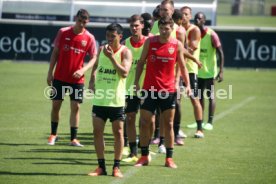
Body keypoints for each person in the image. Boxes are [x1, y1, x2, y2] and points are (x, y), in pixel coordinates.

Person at [134, 16, 191, 169]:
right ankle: (144, 156)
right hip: (149, 89)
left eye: (167, 29)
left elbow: (183, 67)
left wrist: (188, 85)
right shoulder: (150, 42)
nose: (164, 31)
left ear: (172, 29)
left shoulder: (177, 44)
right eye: (162, 28)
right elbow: (140, 63)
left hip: (168, 90)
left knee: (169, 124)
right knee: (145, 122)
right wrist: (136, 82)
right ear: (158, 28)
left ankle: (169, 159)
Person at [47, 9, 97, 147]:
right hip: (60, 77)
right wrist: (50, 72)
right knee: (56, 105)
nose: (81, 24)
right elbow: (55, 53)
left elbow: (94, 58)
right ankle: (53, 135)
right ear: (75, 18)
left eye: (84, 22)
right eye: (79, 21)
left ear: (88, 22)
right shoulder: (63, 32)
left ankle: (73, 138)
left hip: (77, 80)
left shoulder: (89, 38)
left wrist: (83, 70)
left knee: (76, 107)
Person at [87, 23, 132, 177]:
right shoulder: (101, 50)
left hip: (116, 101)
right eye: (107, 36)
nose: (109, 39)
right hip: (100, 100)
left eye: (113, 36)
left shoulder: (126, 52)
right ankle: (101, 167)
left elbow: (124, 73)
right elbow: (96, 66)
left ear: (120, 36)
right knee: (97, 132)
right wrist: (92, 80)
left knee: (118, 133)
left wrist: (112, 57)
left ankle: (116, 167)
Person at [122, 14, 147, 163]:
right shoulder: (125, 43)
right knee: (130, 118)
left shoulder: (149, 42)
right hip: (130, 88)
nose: (134, 28)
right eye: (132, 26)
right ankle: (133, 153)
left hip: (147, 88)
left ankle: (146, 149)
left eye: (137, 25)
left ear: (142, 26)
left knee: (147, 121)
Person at [194, 12, 224, 130]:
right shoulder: (194, 33)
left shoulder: (211, 34)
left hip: (209, 72)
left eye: (199, 18)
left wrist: (221, 71)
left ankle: (210, 121)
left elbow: (220, 52)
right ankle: (199, 122)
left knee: (210, 96)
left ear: (204, 21)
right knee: (199, 96)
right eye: (195, 18)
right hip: (198, 71)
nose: (197, 20)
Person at [181, 6, 204, 138]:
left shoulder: (194, 30)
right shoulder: (176, 29)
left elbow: (192, 48)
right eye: (182, 14)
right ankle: (175, 129)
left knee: (194, 98)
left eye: (186, 14)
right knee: (174, 100)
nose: (184, 16)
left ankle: (199, 128)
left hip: (190, 69)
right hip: (176, 69)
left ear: (190, 16)